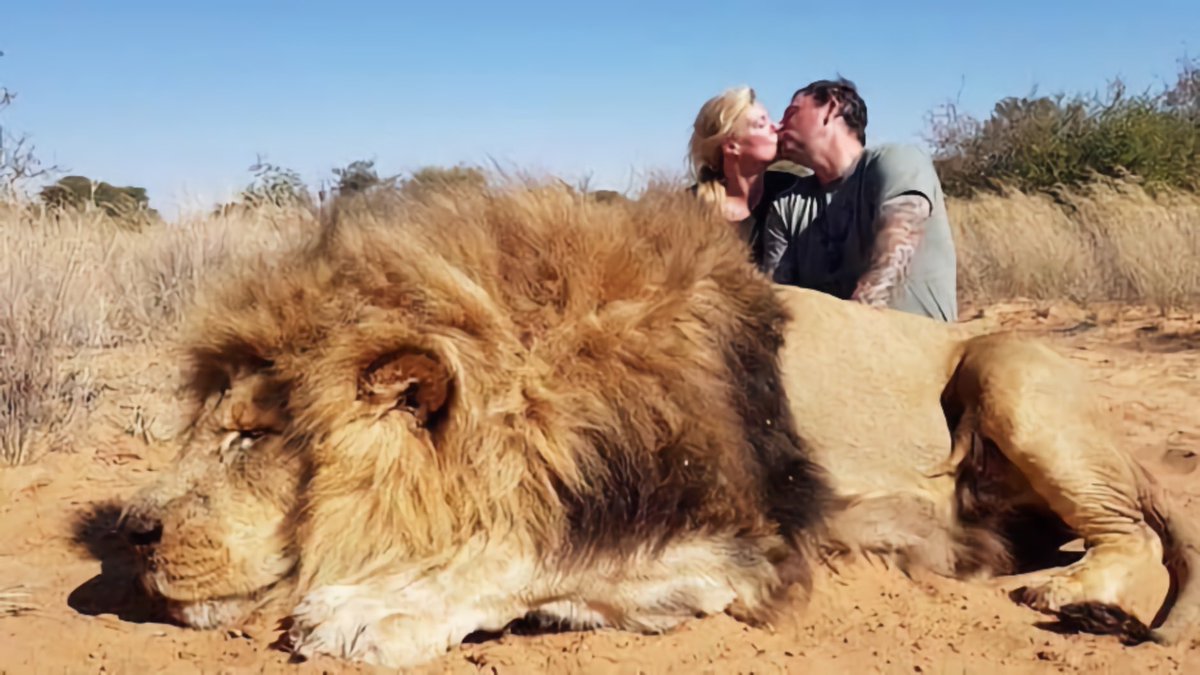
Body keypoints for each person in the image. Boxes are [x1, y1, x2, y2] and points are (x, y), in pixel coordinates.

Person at [767, 78, 959, 322]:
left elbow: (896, 248)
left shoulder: (896, 160)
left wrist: (851, 330)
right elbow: (776, 297)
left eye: (790, 113)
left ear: (830, 108)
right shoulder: (787, 206)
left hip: (918, 349)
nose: (778, 126)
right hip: (834, 351)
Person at [687, 86, 804, 270]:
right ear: (732, 146)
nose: (777, 127)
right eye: (761, 124)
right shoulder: (689, 207)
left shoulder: (791, 190)